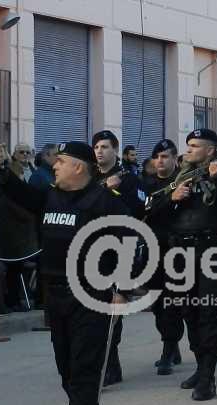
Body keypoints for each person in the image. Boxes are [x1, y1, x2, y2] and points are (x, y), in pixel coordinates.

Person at [0, 140, 130, 405]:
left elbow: (126, 244)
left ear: (78, 167)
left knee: (84, 368)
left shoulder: (105, 202)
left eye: (61, 161)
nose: (54, 165)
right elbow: (19, 193)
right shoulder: (50, 196)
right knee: (65, 366)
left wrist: (121, 289)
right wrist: (1, 168)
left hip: (90, 294)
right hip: (55, 294)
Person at [149, 128, 217, 400]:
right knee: (189, 312)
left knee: (208, 314)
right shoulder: (180, 176)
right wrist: (171, 198)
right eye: (188, 145)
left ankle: (208, 376)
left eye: (195, 146)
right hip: (181, 253)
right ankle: (200, 364)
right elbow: (151, 211)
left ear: (210, 150)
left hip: (211, 252)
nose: (189, 150)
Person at [92, 130, 146, 386]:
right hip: (93, 249)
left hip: (119, 249)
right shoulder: (90, 177)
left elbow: (138, 211)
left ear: (115, 150)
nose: (99, 151)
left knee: (113, 310)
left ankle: (111, 364)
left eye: (104, 147)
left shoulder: (128, 179)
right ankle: (98, 363)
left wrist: (116, 192)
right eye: (96, 147)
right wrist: (103, 188)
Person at [142, 139, 186, 375]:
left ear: (174, 159)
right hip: (154, 249)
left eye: (165, 156)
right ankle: (171, 345)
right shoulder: (148, 184)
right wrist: (170, 199)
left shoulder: (183, 181)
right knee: (158, 303)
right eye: (157, 157)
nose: (160, 161)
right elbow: (146, 210)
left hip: (177, 251)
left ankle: (169, 348)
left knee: (173, 302)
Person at [0, 143, 40, 313]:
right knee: (13, 266)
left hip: (28, 228)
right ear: (14, 154)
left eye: (28, 152)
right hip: (11, 227)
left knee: (22, 266)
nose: (25, 155)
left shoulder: (33, 171)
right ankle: (12, 300)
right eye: (21, 152)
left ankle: (21, 296)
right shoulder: (7, 171)